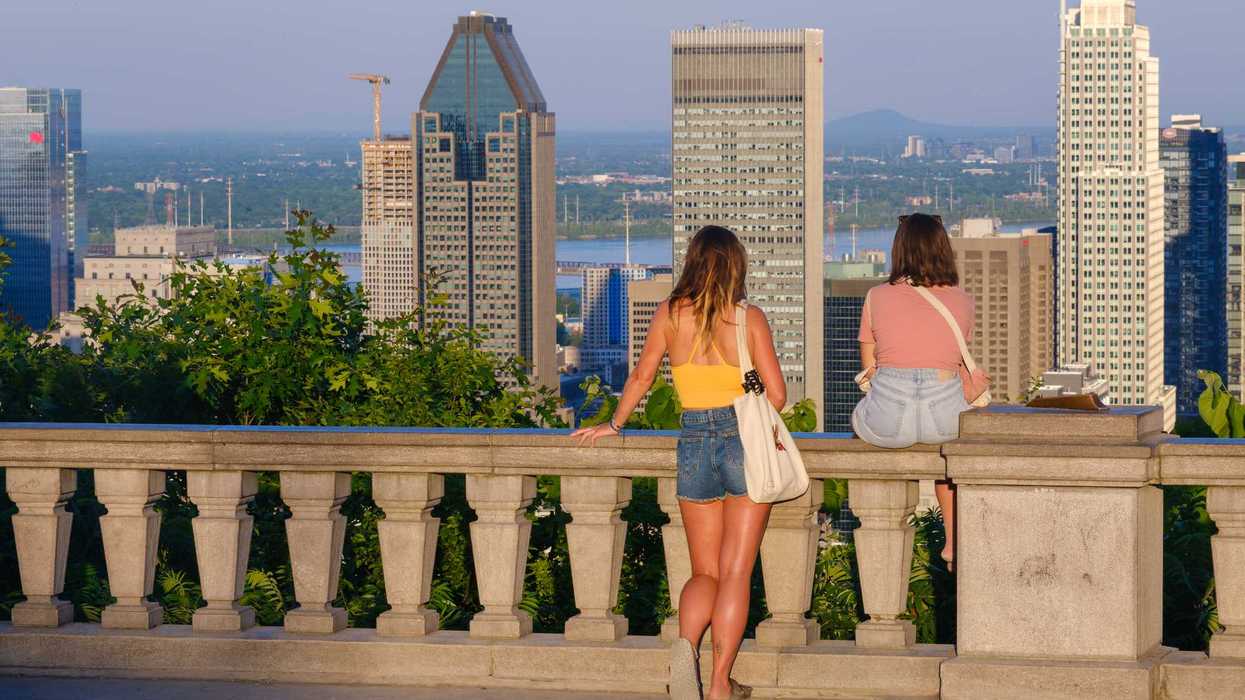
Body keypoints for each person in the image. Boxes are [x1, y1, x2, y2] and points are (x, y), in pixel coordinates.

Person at [573, 225, 783, 700]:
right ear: (735, 265)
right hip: (742, 440)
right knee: (735, 572)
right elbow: (777, 395)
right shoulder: (748, 317)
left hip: (693, 441)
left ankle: (686, 652)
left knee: (704, 572)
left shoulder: (670, 313)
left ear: (693, 262)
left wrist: (614, 424)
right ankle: (719, 684)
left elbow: (642, 375)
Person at [853, 213, 973, 571]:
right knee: (947, 463)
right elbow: (957, 359)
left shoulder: (876, 296)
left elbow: (869, 371)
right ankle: (953, 540)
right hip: (945, 420)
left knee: (860, 415)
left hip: (889, 421)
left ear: (899, 248)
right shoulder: (962, 300)